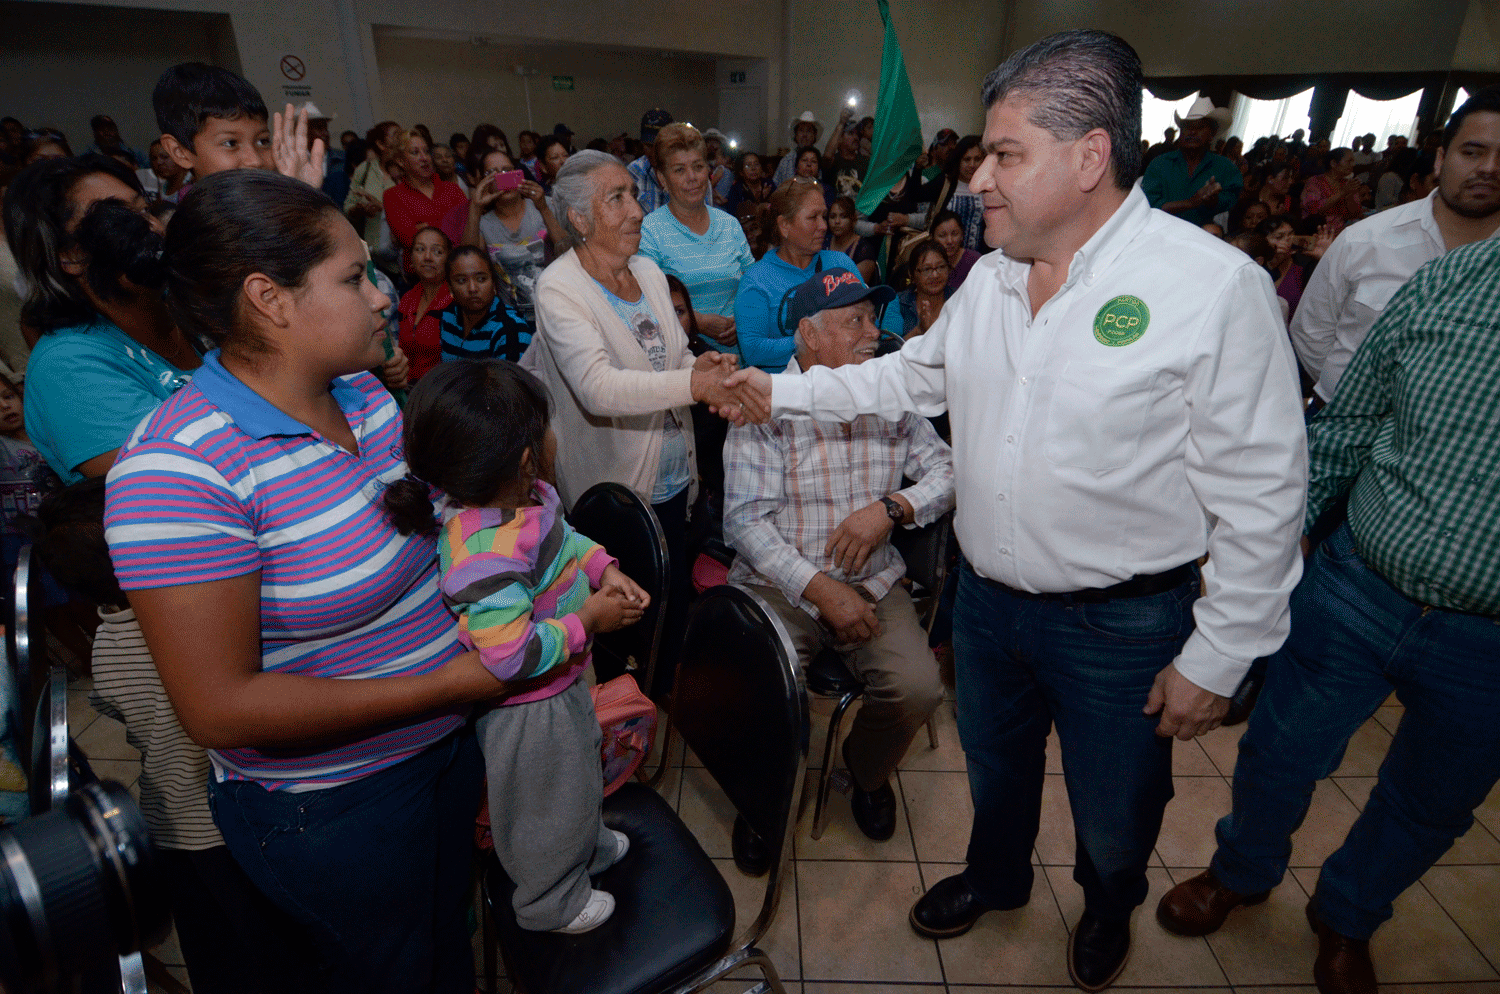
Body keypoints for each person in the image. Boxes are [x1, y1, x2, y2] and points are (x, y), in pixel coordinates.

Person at [722, 30, 1305, 992]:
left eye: (1006, 154)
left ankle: (1107, 904)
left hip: (1122, 624)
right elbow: (904, 376)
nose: (977, 178)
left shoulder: (1210, 291)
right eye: (985, 153)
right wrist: (772, 393)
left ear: (1089, 157)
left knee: (1116, 803)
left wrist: (1221, 653)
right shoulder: (990, 278)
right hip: (988, 609)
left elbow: (1266, 493)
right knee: (995, 773)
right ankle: (994, 878)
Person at [104, 169, 504, 994]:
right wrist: (448, 682)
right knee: (388, 972)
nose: (384, 296)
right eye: (355, 278)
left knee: (443, 945)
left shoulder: (361, 394)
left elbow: (422, 533)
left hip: (442, 748)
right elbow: (220, 707)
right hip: (338, 806)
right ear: (270, 299)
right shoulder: (176, 469)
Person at [1154, 232, 1500, 994]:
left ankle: (1349, 915)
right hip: (1360, 586)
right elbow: (1349, 423)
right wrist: (1286, 547)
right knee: (1280, 752)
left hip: (1489, 647)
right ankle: (1241, 872)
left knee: (1429, 802)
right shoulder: (1452, 280)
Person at [385, 360, 646, 933]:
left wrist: (602, 568)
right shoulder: (484, 554)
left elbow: (564, 538)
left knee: (579, 771)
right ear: (527, 455)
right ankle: (549, 901)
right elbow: (509, 655)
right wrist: (588, 618)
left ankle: (587, 846)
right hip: (528, 706)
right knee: (544, 804)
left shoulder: (528, 498)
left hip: (562, 679)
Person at [38, 477, 303, 994]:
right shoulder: (199, 624)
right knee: (275, 951)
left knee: (215, 953)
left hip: (167, 825)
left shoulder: (106, 651)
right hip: (227, 822)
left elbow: (122, 714)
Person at [723, 268, 952, 865]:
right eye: (856, 320)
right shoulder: (765, 404)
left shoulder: (891, 396)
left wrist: (894, 507)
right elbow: (744, 523)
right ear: (808, 333)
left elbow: (949, 472)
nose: (874, 333)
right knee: (767, 690)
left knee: (918, 689)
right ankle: (763, 799)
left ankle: (865, 773)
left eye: (873, 318)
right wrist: (822, 590)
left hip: (873, 575)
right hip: (780, 583)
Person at [518, 150, 743, 695]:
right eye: (615, 198)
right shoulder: (559, 288)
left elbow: (672, 359)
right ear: (577, 219)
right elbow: (598, 389)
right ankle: (627, 708)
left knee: (669, 596)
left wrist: (706, 369)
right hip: (614, 485)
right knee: (626, 611)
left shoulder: (645, 269)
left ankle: (666, 693)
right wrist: (694, 384)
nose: (637, 210)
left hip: (675, 474)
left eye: (633, 195)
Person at [1289, 87, 1500, 409]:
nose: (1488, 168)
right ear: (1441, 160)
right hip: (1345, 423)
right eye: (1472, 152)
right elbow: (1312, 331)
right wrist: (1354, 399)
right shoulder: (1364, 240)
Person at [4, 157, 201, 484]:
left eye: (144, 211)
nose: (152, 227)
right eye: (117, 219)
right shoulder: (68, 365)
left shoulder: (193, 307)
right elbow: (166, 484)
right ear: (69, 255)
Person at [733, 179, 901, 373]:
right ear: (784, 225)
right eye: (813, 217)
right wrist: (819, 339)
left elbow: (876, 315)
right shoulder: (758, 279)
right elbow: (753, 350)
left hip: (846, 377)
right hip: (785, 387)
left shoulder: (840, 264)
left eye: (824, 216)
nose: (823, 226)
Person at [638, 123, 754, 362]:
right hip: (684, 363)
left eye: (698, 167)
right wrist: (697, 321)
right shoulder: (650, 231)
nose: (692, 178)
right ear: (662, 178)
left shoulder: (729, 225)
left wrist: (742, 319)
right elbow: (644, 304)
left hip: (738, 359)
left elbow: (753, 284)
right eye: (679, 170)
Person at [459, 146, 568, 296]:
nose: (502, 176)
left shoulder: (545, 204)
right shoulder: (482, 223)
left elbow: (568, 251)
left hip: (556, 302)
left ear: (519, 173)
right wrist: (475, 208)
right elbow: (466, 265)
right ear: (484, 181)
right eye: (492, 173)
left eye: (507, 170)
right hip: (511, 316)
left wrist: (543, 209)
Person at [1142, 96, 1242, 226]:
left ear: (1212, 134)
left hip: (1203, 238)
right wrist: (1191, 203)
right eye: (1187, 127)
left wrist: (1214, 201)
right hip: (1160, 235)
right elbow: (1148, 207)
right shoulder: (1160, 164)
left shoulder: (1225, 167)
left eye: (1199, 127)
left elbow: (1233, 204)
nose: (1192, 132)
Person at [383, 129, 467, 275]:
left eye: (426, 151)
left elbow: (468, 229)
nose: (424, 158)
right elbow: (411, 240)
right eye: (415, 153)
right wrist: (449, 226)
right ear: (401, 161)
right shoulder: (392, 196)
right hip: (423, 276)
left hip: (461, 269)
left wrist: (426, 227)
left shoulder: (452, 189)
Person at [440, 245, 533, 363]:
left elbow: (510, 381)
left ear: (494, 284)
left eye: (481, 279)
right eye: (462, 281)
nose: (472, 288)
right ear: (450, 288)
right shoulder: (448, 316)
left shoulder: (511, 329)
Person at [397, 224, 451, 383]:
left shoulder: (455, 300)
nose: (427, 257)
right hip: (409, 390)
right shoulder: (407, 299)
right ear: (411, 259)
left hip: (442, 390)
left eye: (437, 251)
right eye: (420, 249)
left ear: (449, 258)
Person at [919, 135, 986, 251]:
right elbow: (916, 195)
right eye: (967, 159)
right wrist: (917, 168)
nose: (972, 165)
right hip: (943, 258)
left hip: (978, 259)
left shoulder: (988, 186)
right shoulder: (945, 182)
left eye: (977, 159)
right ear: (958, 160)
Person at [346, 120, 401, 248]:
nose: (403, 139)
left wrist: (382, 208)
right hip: (374, 250)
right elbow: (348, 206)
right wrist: (359, 209)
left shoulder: (407, 170)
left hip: (401, 250)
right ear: (381, 144)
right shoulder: (364, 169)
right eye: (397, 135)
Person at [898, 242, 954, 338]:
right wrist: (919, 330)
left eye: (941, 267)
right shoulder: (899, 302)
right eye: (927, 269)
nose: (935, 275)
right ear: (912, 274)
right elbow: (890, 348)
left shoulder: (959, 298)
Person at [1300, 147, 1368, 226]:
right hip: (1316, 231)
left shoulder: (1347, 184)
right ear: (1333, 163)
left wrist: (1350, 195)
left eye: (1353, 161)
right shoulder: (1315, 181)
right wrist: (1343, 192)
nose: (1353, 165)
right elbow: (1313, 209)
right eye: (1349, 161)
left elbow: (1354, 214)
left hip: (1339, 232)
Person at [825, 196, 878, 283]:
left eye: (843, 216)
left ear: (853, 219)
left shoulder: (863, 250)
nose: (837, 221)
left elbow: (857, 289)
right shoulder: (823, 242)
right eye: (832, 216)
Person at [930, 209, 981, 289]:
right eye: (942, 235)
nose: (949, 241)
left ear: (962, 235)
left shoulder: (975, 261)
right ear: (933, 238)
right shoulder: (927, 262)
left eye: (955, 234)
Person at [771, 110, 823, 186]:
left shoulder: (819, 160)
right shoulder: (786, 160)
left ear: (814, 135)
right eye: (801, 130)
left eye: (808, 131)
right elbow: (775, 187)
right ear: (796, 135)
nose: (804, 135)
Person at [140, 138, 189, 203]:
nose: (158, 162)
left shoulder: (193, 182)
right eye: (154, 158)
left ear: (179, 156)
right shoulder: (162, 188)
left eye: (164, 156)